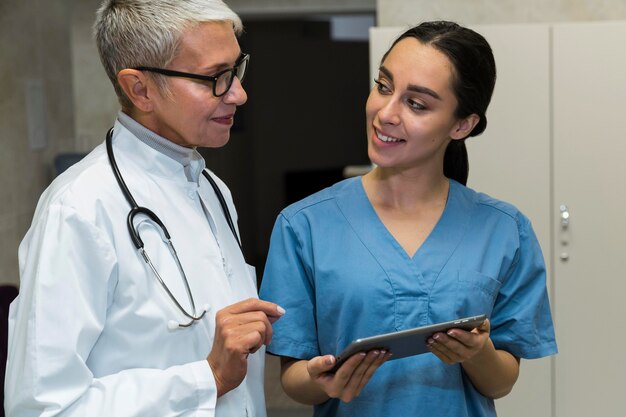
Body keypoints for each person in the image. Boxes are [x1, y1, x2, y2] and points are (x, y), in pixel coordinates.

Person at [259, 21, 557, 417]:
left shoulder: (504, 230)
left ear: (462, 125)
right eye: (383, 86)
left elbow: (501, 381)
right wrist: (320, 378)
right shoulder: (304, 225)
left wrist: (478, 352)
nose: (385, 113)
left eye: (416, 104)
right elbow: (292, 379)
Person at [4, 1, 284, 416]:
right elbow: (43, 407)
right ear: (140, 89)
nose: (239, 94)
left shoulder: (212, 189)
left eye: (236, 69)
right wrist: (206, 378)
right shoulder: (79, 209)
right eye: (214, 78)